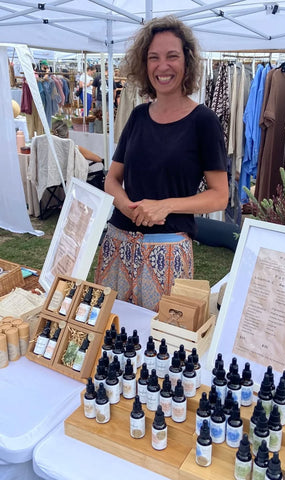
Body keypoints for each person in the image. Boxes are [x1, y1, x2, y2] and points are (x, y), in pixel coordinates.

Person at [94, 15, 228, 312]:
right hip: (117, 245)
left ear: (187, 62)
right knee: (109, 328)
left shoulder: (203, 121)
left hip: (167, 254)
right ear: (144, 64)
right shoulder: (138, 116)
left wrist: (164, 206)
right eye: (153, 57)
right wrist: (126, 205)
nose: (162, 66)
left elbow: (220, 196)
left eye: (172, 56)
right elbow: (112, 179)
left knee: (161, 335)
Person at [51, 119, 105, 190]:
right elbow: (97, 159)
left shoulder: (49, 150)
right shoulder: (73, 149)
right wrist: (102, 160)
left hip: (55, 179)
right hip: (75, 180)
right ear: (67, 134)